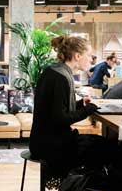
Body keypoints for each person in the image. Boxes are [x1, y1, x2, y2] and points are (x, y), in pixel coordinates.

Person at [30, 35, 111, 177]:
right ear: (77, 56)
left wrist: (80, 104)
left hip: (41, 141)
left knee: (102, 146)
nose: (91, 59)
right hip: (52, 146)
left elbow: (56, 108)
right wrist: (88, 109)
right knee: (108, 148)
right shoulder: (61, 77)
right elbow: (60, 118)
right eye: (89, 55)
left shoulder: (53, 70)